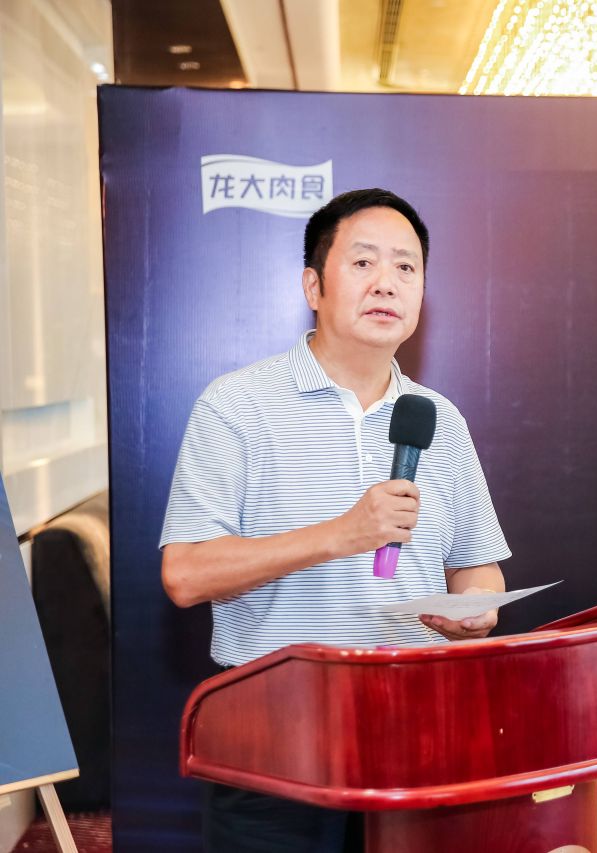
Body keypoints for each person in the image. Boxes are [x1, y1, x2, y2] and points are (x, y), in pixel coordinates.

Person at [159, 188, 510, 852]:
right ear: (313, 286)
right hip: (274, 733)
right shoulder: (237, 405)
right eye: (364, 262)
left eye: (406, 267)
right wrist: (339, 536)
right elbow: (185, 574)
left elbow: (476, 566)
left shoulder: (439, 418)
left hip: (416, 726)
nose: (387, 282)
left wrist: (476, 609)